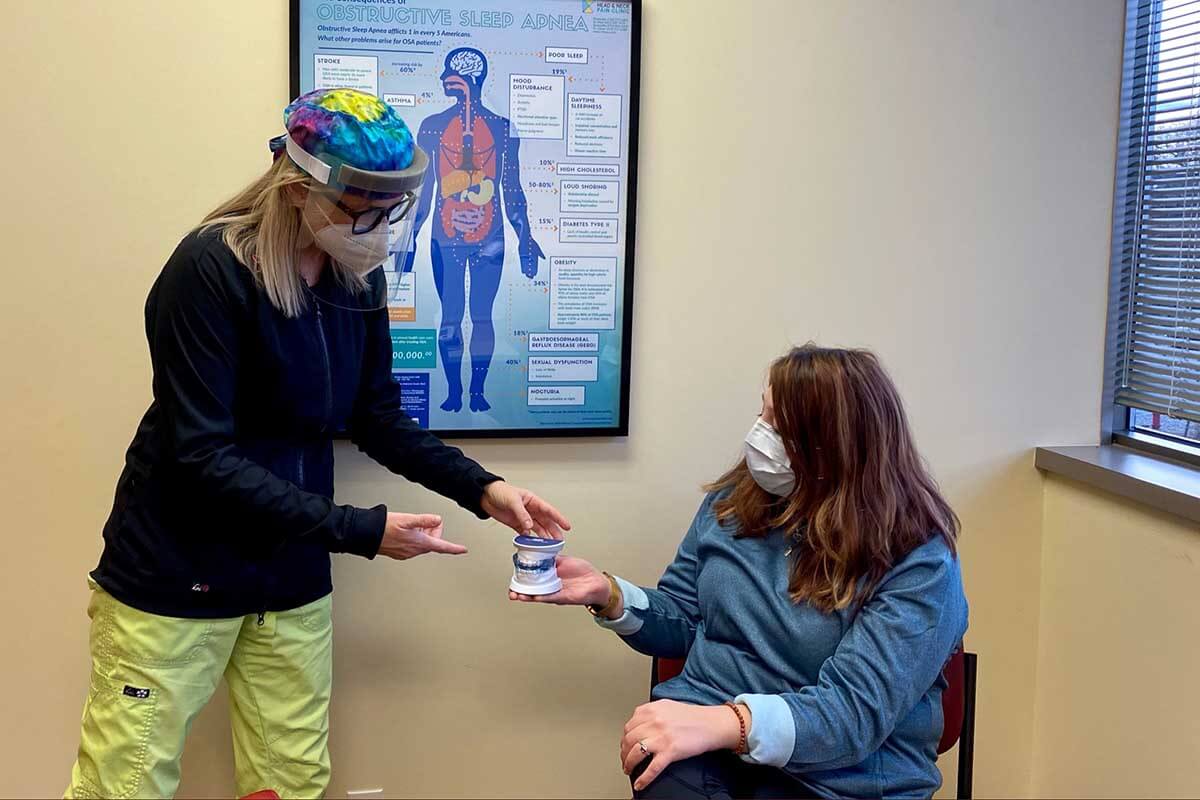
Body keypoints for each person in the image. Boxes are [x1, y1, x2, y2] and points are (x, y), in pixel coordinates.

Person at [65, 88, 569, 800]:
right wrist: (360, 530)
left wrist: (483, 489)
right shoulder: (209, 270)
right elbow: (201, 455)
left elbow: (377, 418)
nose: (378, 229)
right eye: (364, 209)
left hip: (290, 576)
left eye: (391, 210)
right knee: (126, 783)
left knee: (291, 781)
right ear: (299, 188)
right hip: (177, 571)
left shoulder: (354, 275)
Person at [513, 345, 968, 799]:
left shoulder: (919, 560)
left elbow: (853, 714)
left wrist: (727, 723)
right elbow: (686, 618)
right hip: (706, 739)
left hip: (842, 777)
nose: (759, 435)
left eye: (780, 428)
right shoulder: (733, 502)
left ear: (837, 446)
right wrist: (609, 595)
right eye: (762, 413)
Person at [401, 46, 544, 413]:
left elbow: (512, 189)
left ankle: (477, 392)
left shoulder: (502, 129)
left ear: (467, 80)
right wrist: (409, 238)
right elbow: (424, 190)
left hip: (488, 237)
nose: (442, 78)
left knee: (481, 315)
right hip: (445, 236)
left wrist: (526, 238)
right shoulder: (432, 126)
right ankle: (454, 393)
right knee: (451, 316)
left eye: (449, 73)